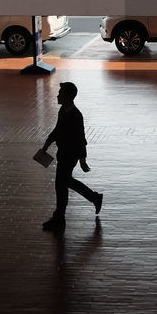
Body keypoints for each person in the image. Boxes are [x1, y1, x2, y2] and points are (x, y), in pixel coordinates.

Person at [41, 81, 103, 230]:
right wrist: (46, 144)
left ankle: (59, 218)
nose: (57, 95)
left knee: (60, 185)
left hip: (70, 155)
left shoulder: (76, 116)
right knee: (65, 182)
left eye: (60, 93)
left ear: (68, 96)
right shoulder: (63, 110)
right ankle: (93, 197)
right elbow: (57, 130)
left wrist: (82, 159)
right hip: (63, 153)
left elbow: (81, 138)